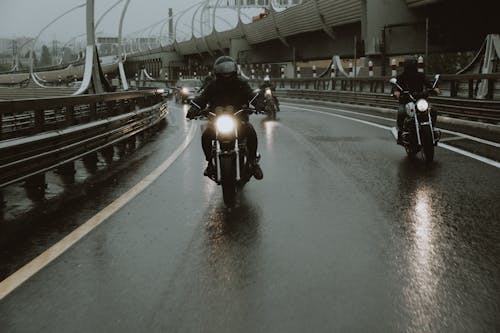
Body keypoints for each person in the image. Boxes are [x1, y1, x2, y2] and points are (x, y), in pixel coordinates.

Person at [186, 56, 263, 180]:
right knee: (206, 136)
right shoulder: (212, 85)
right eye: (223, 69)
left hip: (239, 120)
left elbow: (251, 95)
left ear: (234, 70)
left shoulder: (241, 84)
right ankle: (210, 163)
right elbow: (202, 98)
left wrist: (259, 103)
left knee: (250, 131)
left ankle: (253, 162)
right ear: (217, 71)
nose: (226, 73)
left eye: (228, 69)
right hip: (217, 121)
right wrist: (194, 108)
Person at [392, 56, 440, 144]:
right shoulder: (401, 77)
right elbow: (396, 87)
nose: (412, 68)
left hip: (420, 101)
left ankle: (431, 130)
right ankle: (400, 133)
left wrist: (434, 88)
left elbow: (428, 84)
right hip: (406, 101)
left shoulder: (420, 75)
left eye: (413, 65)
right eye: (410, 66)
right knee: (401, 112)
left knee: (433, 110)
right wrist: (396, 92)